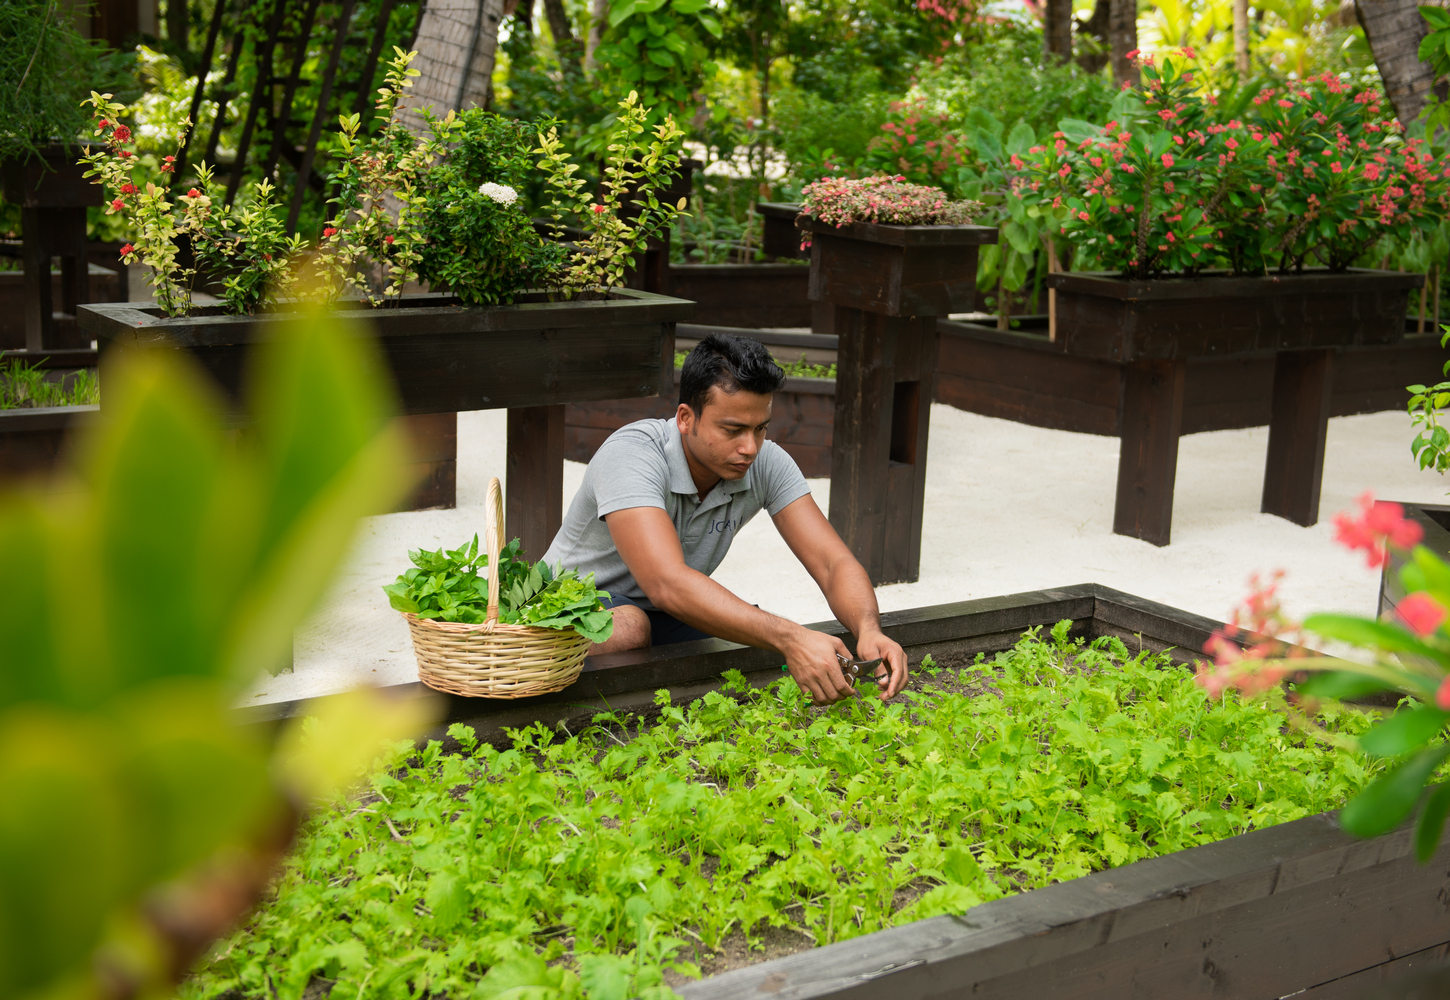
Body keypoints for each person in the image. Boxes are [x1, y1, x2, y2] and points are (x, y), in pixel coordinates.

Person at [541, 332, 908, 704]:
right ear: (686, 418)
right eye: (732, 430)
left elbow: (833, 563)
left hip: (662, 612)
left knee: (748, 644)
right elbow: (666, 583)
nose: (750, 447)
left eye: (760, 428)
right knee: (632, 630)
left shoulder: (767, 463)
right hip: (564, 607)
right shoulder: (632, 455)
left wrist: (868, 629)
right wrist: (791, 636)